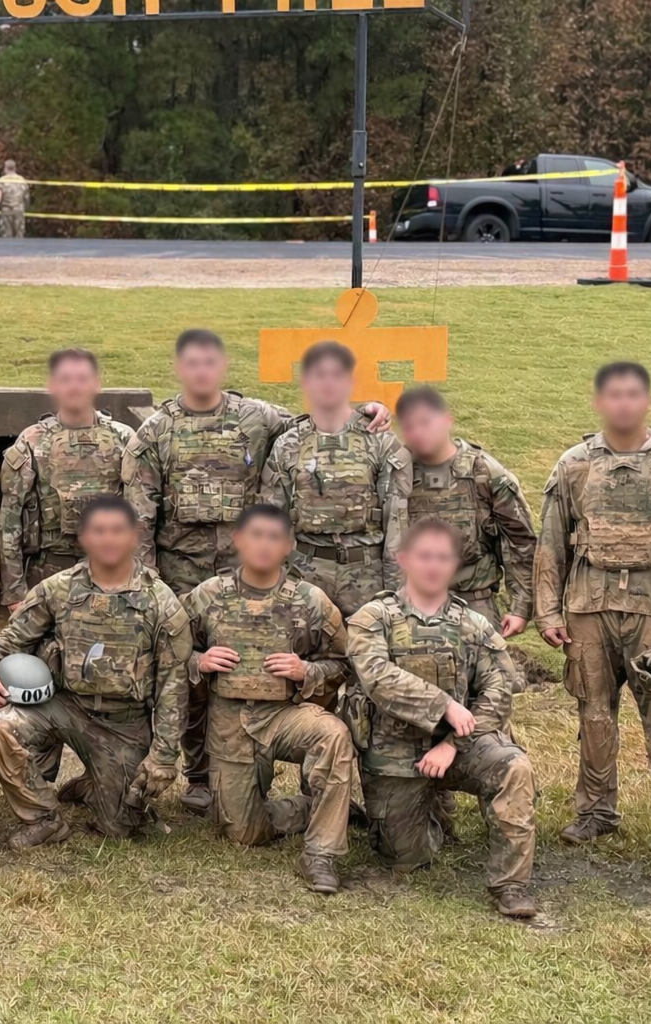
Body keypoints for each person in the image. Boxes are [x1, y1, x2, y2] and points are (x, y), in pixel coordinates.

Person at [125, 329, 388, 814]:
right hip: (182, 576)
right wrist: (149, 584)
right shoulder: (156, 431)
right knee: (194, 673)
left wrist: (366, 408)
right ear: (179, 369)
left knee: (265, 671)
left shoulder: (258, 417)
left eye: (210, 362)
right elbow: (140, 513)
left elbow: (315, 424)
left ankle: (293, 770)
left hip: (251, 575)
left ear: (222, 367)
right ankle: (200, 774)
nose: (202, 371)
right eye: (192, 363)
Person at [534, 362, 651, 858]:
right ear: (599, 402)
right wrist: (548, 612)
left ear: (648, 401)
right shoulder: (574, 465)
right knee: (594, 714)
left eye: (633, 394)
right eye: (613, 395)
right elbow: (550, 543)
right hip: (588, 608)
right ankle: (595, 813)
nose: (623, 403)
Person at [346, 518, 537, 919]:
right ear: (403, 560)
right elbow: (378, 678)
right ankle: (431, 805)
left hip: (461, 747)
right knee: (406, 860)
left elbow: (500, 690)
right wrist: (444, 705)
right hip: (396, 754)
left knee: (514, 767)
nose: (433, 566)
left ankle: (510, 884)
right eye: (424, 556)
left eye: (443, 558)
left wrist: (454, 743)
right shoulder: (373, 618)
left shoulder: (473, 624)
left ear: (455, 565)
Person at [0, 496, 192, 847]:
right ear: (83, 537)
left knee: (120, 828)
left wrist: (164, 756)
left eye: (117, 531)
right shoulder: (57, 588)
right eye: (98, 531)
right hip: (64, 706)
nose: (108, 539)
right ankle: (44, 819)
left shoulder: (160, 601)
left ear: (134, 536)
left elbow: (173, 685)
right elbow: (9, 640)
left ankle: (94, 784)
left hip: (124, 722)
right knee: (1, 727)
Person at [182, 504, 354, 894]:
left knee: (333, 734)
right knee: (243, 833)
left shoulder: (310, 601)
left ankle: (321, 854)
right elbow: (167, 651)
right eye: (255, 536)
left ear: (289, 545)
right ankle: (313, 808)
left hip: (285, 717)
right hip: (229, 727)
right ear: (237, 541)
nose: (264, 545)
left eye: (274, 538)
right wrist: (198, 660)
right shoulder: (207, 596)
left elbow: (345, 662)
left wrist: (306, 671)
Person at [259, 340, 412, 618]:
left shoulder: (380, 441)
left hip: (366, 577)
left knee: (366, 644)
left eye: (337, 375)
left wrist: (395, 597)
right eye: (320, 375)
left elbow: (397, 524)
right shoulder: (288, 444)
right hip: (304, 575)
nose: (328, 383)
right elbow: (271, 519)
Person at [394, 385, 536, 641]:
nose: (418, 432)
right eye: (409, 426)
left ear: (447, 420)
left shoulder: (484, 472)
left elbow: (520, 540)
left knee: (484, 666)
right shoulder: (396, 473)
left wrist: (520, 607)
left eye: (425, 422)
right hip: (411, 603)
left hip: (473, 600)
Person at [0, 348, 134, 609]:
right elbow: (10, 517)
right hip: (48, 572)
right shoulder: (32, 440)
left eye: (82, 379)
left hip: (112, 572)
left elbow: (142, 512)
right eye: (66, 379)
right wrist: (14, 590)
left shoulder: (124, 438)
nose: (74, 387)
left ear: (96, 383)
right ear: (52, 385)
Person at [0, 159, 30, 239]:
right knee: (19, 234)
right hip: (19, 209)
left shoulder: (2, 180)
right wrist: (25, 207)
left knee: (6, 235)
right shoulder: (22, 180)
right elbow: (26, 197)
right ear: (15, 168)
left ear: (5, 168)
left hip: (6, 210)